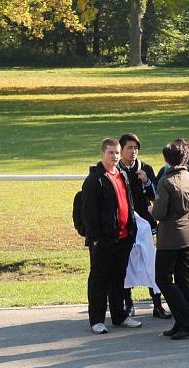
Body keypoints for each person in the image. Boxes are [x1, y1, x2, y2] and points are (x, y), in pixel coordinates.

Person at [81, 138, 142, 334]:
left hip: (123, 238)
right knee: (99, 280)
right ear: (102, 154)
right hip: (104, 241)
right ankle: (97, 320)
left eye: (117, 153)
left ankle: (120, 315)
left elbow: (128, 203)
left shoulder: (122, 175)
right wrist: (96, 238)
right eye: (111, 153)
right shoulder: (94, 180)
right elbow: (88, 213)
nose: (115, 156)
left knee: (119, 279)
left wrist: (131, 232)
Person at [117, 133, 171, 320]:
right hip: (124, 225)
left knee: (151, 263)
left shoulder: (145, 168)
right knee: (126, 264)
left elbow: (157, 196)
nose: (133, 152)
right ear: (121, 149)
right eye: (129, 148)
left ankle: (157, 303)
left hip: (146, 224)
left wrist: (147, 182)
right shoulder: (116, 171)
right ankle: (128, 303)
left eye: (136, 148)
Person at [152, 141, 189, 340]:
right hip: (188, 233)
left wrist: (152, 210)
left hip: (170, 236)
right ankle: (182, 321)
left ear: (166, 160)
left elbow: (159, 212)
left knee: (163, 278)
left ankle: (186, 321)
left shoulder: (166, 180)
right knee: (183, 278)